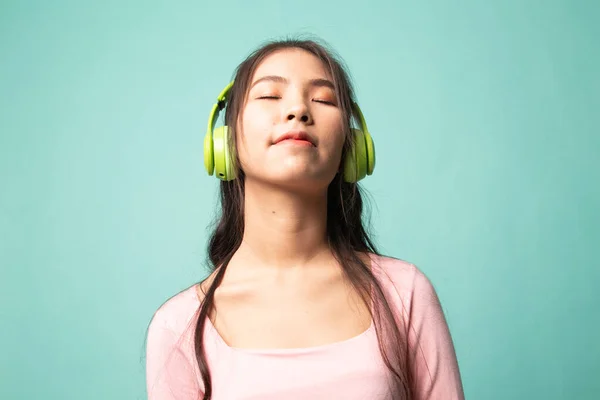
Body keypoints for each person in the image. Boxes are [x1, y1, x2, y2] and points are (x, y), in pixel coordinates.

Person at [145, 37, 465, 400]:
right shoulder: (179, 326)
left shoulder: (404, 293)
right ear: (224, 143)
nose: (298, 110)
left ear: (352, 147)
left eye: (324, 99)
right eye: (269, 96)